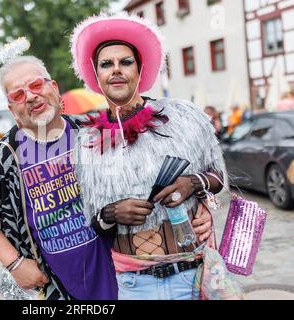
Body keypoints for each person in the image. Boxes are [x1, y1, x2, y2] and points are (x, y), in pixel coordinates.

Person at [0, 39, 213, 299]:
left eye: (36, 85)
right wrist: (15, 263)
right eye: (18, 94)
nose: (31, 96)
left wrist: (200, 201)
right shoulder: (2, 158)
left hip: (125, 274)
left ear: (54, 88)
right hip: (58, 286)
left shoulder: (95, 131)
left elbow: (153, 171)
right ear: (12, 109)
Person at [70, 12, 242, 300]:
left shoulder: (182, 116)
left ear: (139, 69)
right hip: (134, 285)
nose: (116, 70)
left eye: (125, 62)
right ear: (96, 74)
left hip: (190, 275)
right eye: (106, 64)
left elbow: (218, 177)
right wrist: (112, 213)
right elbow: (93, 221)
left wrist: (193, 184)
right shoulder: (87, 140)